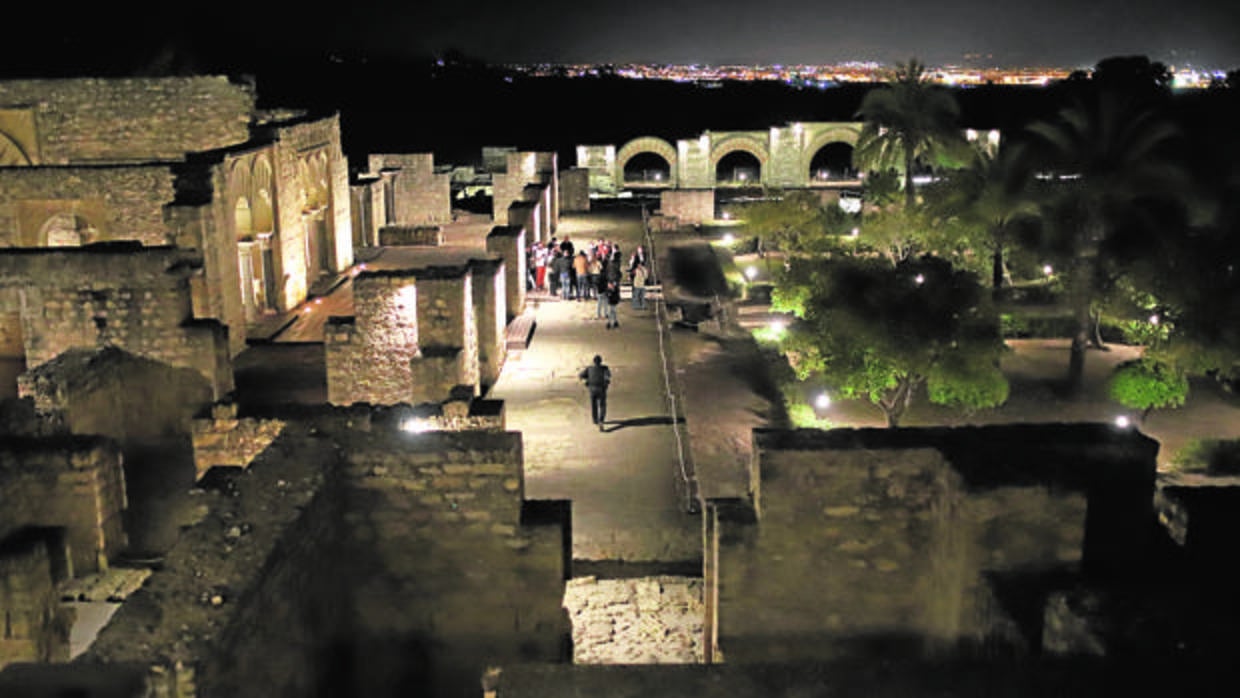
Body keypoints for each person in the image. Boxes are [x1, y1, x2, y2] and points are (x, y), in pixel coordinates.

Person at [579, 354, 612, 430]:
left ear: (593, 362)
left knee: (594, 405)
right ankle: (601, 420)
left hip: (592, 389)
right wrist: (606, 384)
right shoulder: (605, 368)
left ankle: (595, 419)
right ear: (601, 361)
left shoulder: (589, 368)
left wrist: (586, 382)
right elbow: (608, 376)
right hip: (601, 389)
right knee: (602, 405)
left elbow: (581, 376)